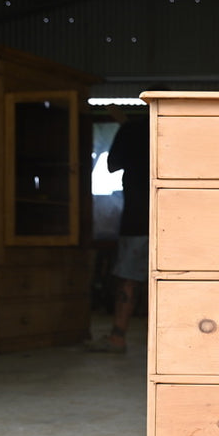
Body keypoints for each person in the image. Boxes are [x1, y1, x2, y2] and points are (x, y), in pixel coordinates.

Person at [86, 95, 154, 353]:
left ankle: (117, 337)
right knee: (174, 281)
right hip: (176, 219)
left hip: (137, 217)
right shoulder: (179, 128)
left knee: (129, 278)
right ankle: (170, 345)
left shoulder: (132, 129)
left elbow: (113, 165)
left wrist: (130, 129)